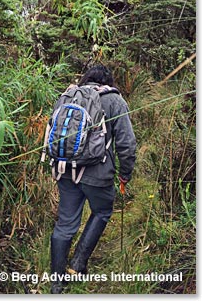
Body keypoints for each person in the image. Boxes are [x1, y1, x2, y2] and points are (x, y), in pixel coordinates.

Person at [50, 64, 136, 294]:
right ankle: (78, 263)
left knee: (66, 223)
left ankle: (56, 283)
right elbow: (126, 144)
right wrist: (125, 174)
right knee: (102, 211)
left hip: (65, 171)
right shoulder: (114, 101)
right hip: (98, 174)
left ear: (86, 79)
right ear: (108, 81)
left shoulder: (67, 96)